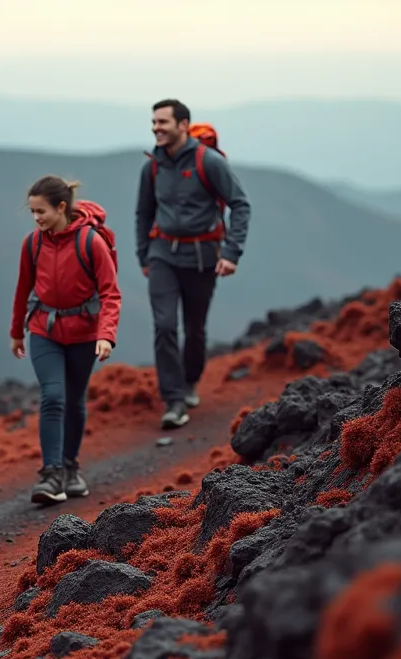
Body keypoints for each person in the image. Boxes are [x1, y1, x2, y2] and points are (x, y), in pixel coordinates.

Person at [134, 98, 251, 430]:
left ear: (183, 125)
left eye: (163, 122)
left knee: (195, 329)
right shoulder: (152, 166)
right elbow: (143, 212)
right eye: (154, 122)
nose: (156, 128)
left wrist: (231, 253)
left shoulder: (209, 161)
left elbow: (240, 205)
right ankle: (173, 401)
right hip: (162, 256)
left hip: (203, 256)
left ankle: (189, 383)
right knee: (166, 325)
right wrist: (144, 254)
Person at [10, 176, 122, 505]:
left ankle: (71, 469)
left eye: (41, 211)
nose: (36, 218)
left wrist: (106, 335)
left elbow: (110, 294)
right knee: (53, 396)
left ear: (61, 207)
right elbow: (22, 290)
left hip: (85, 333)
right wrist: (17, 331)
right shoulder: (32, 244)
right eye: (32, 212)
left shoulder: (91, 242)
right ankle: (51, 474)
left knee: (74, 400)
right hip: (44, 330)